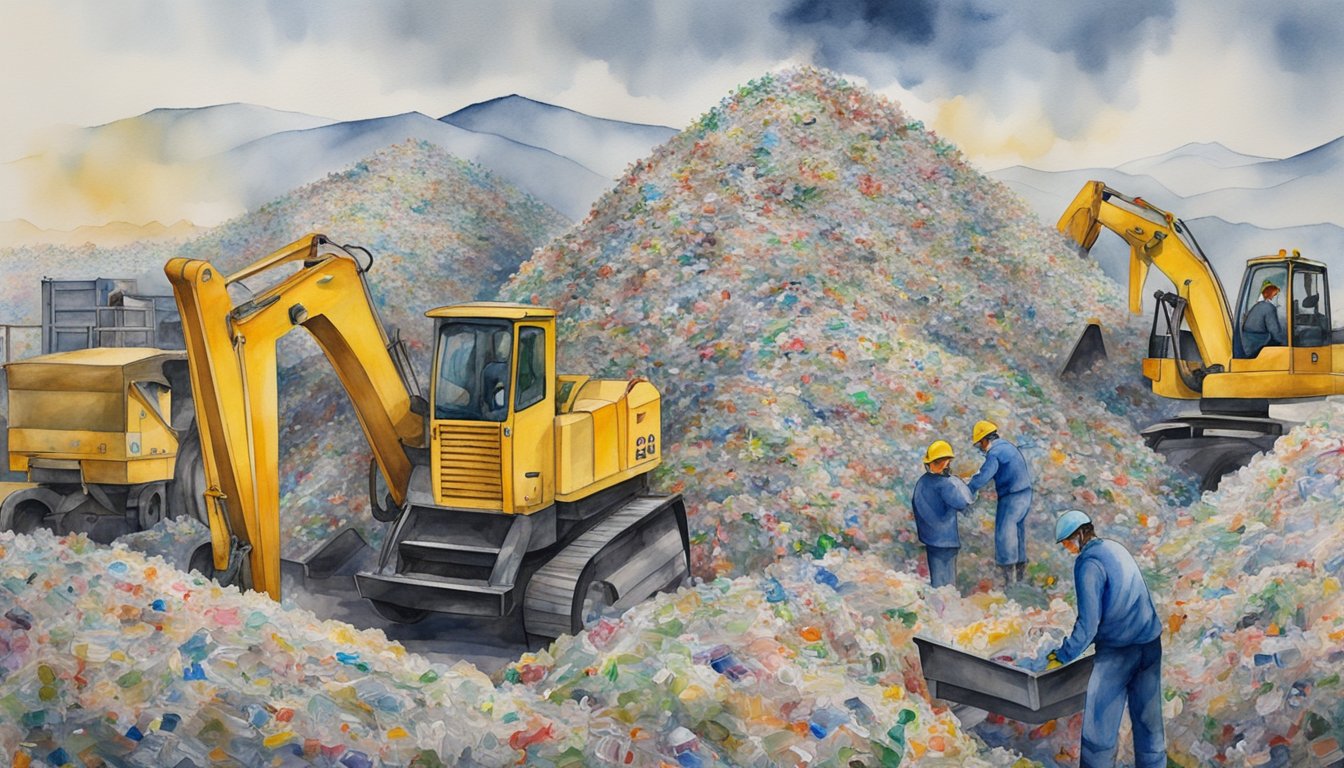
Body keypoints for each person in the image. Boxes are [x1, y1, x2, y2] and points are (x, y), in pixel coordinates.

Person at [1041, 510, 1166, 768]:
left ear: (1080, 534)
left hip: (1118, 652)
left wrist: (1062, 655)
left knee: (1099, 729)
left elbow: (1088, 624)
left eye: (1066, 542)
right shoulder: (1114, 548)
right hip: (1150, 643)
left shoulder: (1088, 563)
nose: (1066, 548)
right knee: (1148, 723)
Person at [967, 420, 1032, 585]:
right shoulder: (1008, 447)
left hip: (1011, 497)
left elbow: (984, 475)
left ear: (984, 440)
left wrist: (968, 489)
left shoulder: (994, 452)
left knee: (1005, 535)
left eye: (979, 444)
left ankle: (1009, 581)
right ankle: (1020, 576)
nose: (980, 448)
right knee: (1018, 533)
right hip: (1025, 494)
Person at [910, 440, 973, 591]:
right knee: (947, 584)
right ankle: (946, 609)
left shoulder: (922, 482)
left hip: (930, 538)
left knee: (937, 580)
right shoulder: (947, 484)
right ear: (945, 462)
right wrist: (957, 481)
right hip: (947, 539)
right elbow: (963, 502)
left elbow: (916, 504)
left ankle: (939, 608)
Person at [1242, 279, 1287, 358]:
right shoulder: (1269, 308)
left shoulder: (1259, 306)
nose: (1279, 299)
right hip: (1256, 346)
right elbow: (1276, 333)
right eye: (1277, 295)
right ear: (1272, 296)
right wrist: (1288, 343)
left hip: (1249, 346)